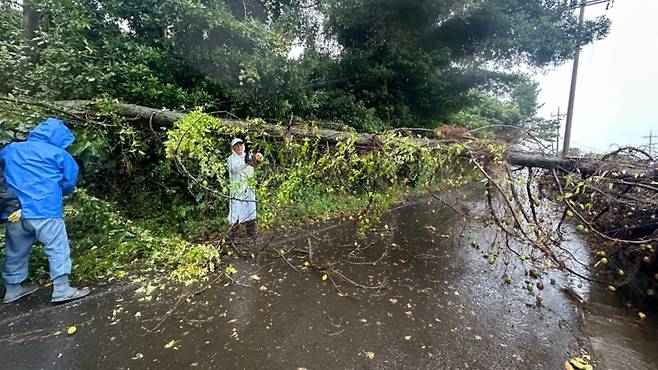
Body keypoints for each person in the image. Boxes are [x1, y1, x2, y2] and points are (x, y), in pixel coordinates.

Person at [1, 118, 90, 304]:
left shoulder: (10, 150)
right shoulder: (58, 154)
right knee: (57, 248)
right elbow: (68, 183)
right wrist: (57, 193)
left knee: (15, 252)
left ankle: (12, 290)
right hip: (45, 210)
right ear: (58, 138)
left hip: (15, 212)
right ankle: (62, 290)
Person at [227, 138, 262, 242]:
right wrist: (247, 162)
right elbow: (234, 169)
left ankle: (252, 235)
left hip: (248, 189)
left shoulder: (248, 156)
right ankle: (234, 237)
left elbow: (256, 162)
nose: (239, 147)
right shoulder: (231, 159)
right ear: (233, 148)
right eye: (237, 146)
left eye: (241, 145)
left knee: (250, 210)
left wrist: (258, 158)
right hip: (237, 190)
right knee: (235, 212)